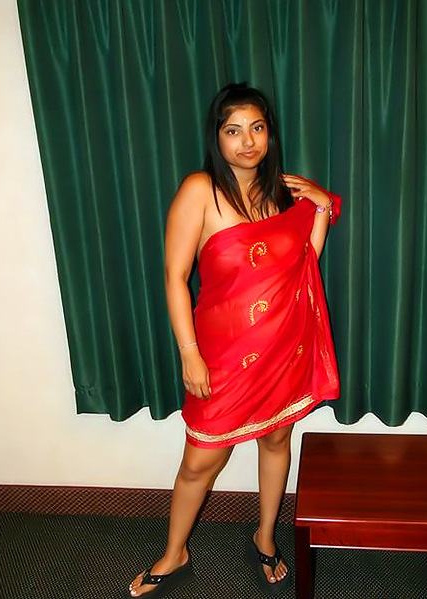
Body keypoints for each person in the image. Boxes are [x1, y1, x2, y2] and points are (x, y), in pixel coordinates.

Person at [129, 83, 341, 598]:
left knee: (276, 439)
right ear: (217, 137)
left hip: (282, 345)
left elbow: (303, 265)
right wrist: (190, 354)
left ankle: (265, 536)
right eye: (234, 130)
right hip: (221, 355)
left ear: (270, 133)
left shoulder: (284, 192)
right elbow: (174, 277)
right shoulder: (199, 191)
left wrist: (319, 208)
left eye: (257, 127)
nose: (248, 141)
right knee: (200, 460)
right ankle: (174, 552)